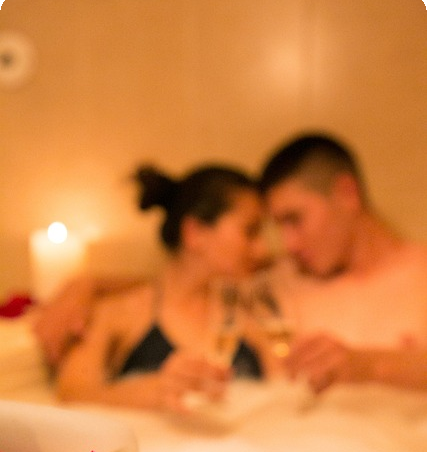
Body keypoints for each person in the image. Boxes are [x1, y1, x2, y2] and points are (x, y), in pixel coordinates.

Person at [51, 163, 272, 414]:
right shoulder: (120, 311)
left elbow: (283, 394)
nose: (262, 249)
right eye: (250, 231)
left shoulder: (252, 312)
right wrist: (149, 390)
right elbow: (72, 396)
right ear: (195, 232)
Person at [259, 131, 427, 394]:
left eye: (295, 219)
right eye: (280, 227)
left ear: (346, 193)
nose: (289, 244)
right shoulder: (284, 284)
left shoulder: (420, 274)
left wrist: (371, 367)